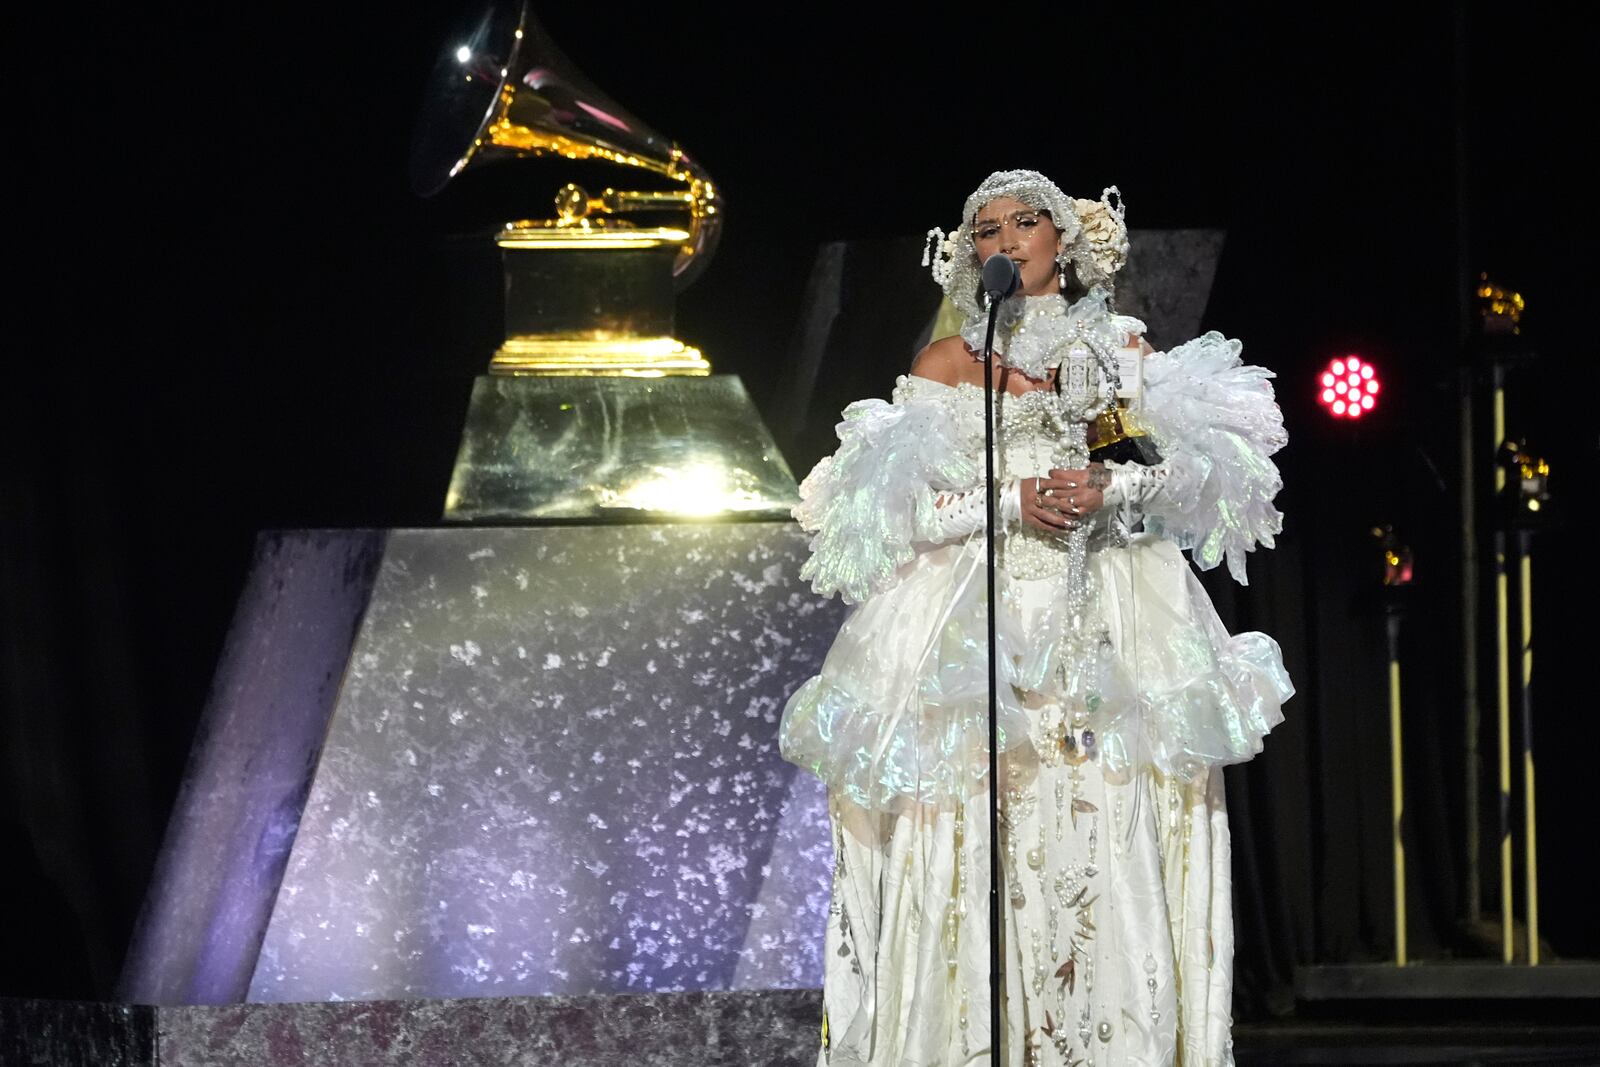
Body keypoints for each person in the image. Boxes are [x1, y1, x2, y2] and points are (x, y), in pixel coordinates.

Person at [780, 169, 1293, 1066]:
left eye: (1026, 221)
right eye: (987, 229)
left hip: (1104, 631)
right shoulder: (948, 367)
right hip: (976, 641)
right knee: (983, 832)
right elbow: (901, 513)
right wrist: (1009, 499)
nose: (1007, 238)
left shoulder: (1109, 353)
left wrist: (1109, 483)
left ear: (1064, 240)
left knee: (1103, 832)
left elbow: (1177, 486)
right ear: (969, 256)